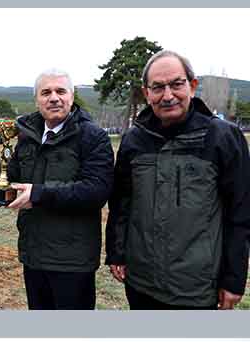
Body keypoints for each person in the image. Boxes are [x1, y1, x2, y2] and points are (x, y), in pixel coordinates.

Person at [106, 50, 250, 310]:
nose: (168, 95)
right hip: (140, 283)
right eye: (158, 87)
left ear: (192, 86)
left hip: (196, 287)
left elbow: (240, 213)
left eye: (176, 84)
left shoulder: (223, 138)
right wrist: (117, 252)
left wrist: (234, 279)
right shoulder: (133, 140)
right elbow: (121, 203)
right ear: (147, 92)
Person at [2, 70, 114, 309]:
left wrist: (39, 194)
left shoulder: (93, 137)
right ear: (37, 100)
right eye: (46, 92)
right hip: (33, 255)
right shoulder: (27, 136)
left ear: (72, 97)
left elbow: (96, 191)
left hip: (72, 262)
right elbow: (12, 176)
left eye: (60, 91)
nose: (54, 98)